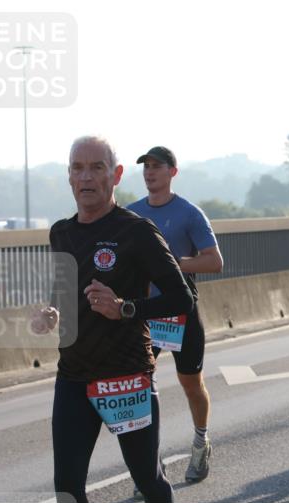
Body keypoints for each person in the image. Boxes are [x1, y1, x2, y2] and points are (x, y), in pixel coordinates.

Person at [32, 136, 194, 503]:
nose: (86, 177)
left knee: (147, 480)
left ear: (115, 174)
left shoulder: (136, 232)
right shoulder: (60, 233)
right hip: (74, 375)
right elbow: (64, 295)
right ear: (69, 176)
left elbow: (180, 298)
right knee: (67, 487)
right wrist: (50, 313)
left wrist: (124, 308)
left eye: (96, 168)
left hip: (126, 377)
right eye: (77, 168)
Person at [127, 146, 223, 484]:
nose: (150, 172)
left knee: (191, 384)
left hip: (181, 313)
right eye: (146, 167)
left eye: (157, 166)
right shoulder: (131, 215)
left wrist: (172, 265)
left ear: (173, 172)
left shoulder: (189, 214)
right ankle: (149, 470)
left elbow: (214, 261)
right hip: (144, 314)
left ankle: (201, 441)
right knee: (140, 385)